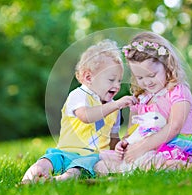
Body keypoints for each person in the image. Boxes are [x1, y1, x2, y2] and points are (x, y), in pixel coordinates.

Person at [95, 32, 192, 175]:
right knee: (100, 166)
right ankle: (132, 168)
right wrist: (124, 144)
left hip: (171, 147)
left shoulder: (178, 91)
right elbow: (131, 132)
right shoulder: (141, 98)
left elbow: (174, 127)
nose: (147, 82)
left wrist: (142, 148)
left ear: (167, 66)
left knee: (153, 163)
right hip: (144, 150)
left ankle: (188, 165)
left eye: (152, 75)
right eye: (140, 77)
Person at [22, 39, 137, 183]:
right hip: (64, 152)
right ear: (88, 78)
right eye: (111, 79)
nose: (117, 85)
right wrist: (117, 105)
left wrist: (120, 151)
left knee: (79, 168)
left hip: (92, 157)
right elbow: (86, 116)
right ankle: (27, 180)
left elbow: (113, 139)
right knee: (46, 161)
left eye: (119, 80)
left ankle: (60, 180)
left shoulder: (114, 108)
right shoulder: (79, 95)